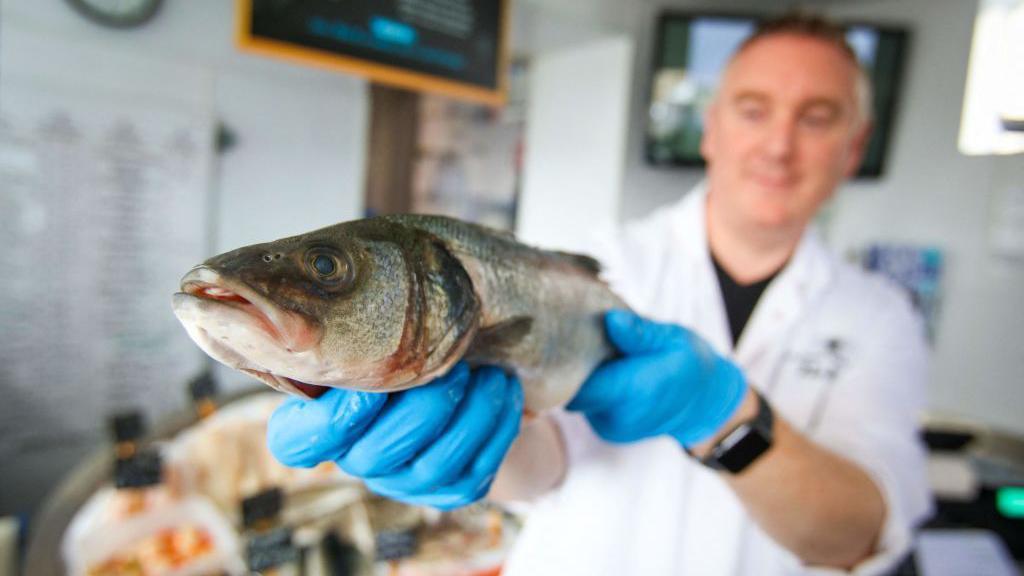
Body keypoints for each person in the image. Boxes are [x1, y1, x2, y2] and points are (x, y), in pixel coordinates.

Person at [266, 12, 933, 576]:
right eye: (754, 110)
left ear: (854, 147)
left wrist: (725, 418)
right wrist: (473, 447)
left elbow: (854, 538)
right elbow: (544, 464)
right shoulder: (594, 268)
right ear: (711, 127)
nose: (779, 145)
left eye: (816, 118)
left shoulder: (880, 316)